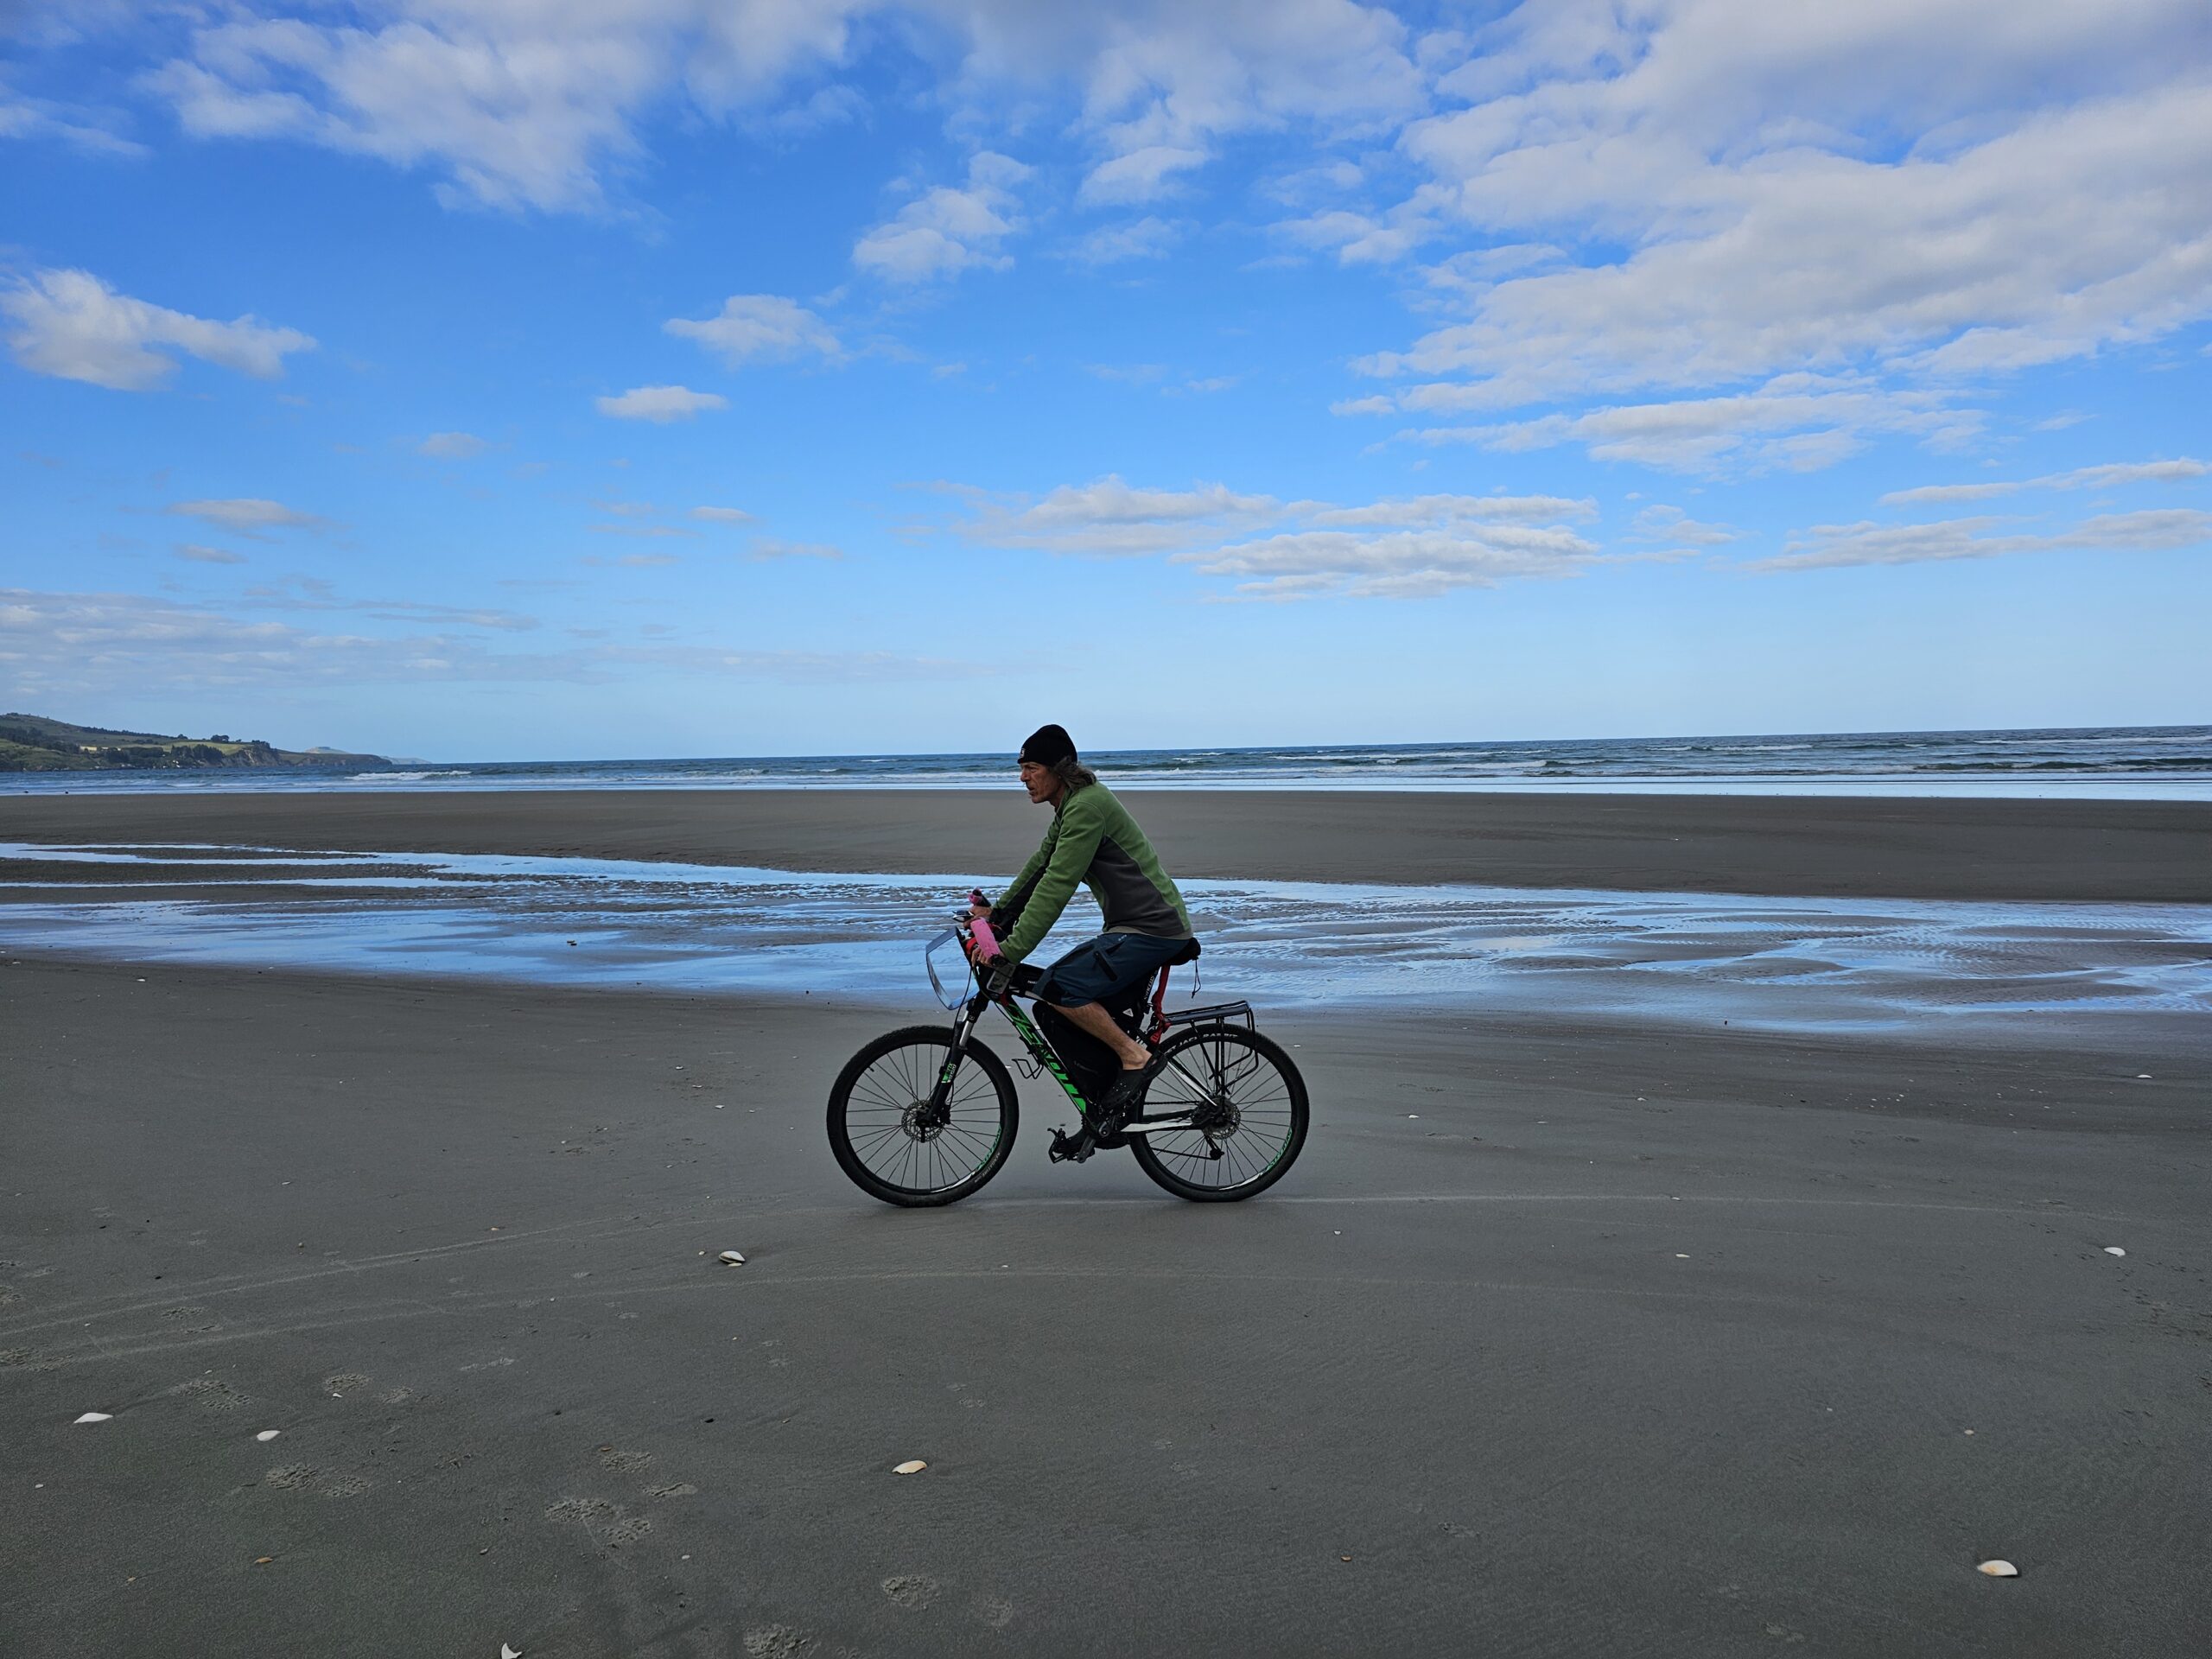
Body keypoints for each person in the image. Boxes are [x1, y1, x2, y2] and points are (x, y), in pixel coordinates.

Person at [970, 723, 1196, 1124]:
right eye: (1021, 767)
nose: (1023, 777)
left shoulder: (1087, 807)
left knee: (1060, 986)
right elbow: (1041, 866)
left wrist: (1010, 951)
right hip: (1132, 928)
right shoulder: (1072, 804)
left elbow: (1058, 884)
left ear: (1059, 769)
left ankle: (1134, 1057)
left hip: (1152, 930)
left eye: (1032, 767)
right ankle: (1108, 1104)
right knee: (1056, 998)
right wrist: (1000, 916)